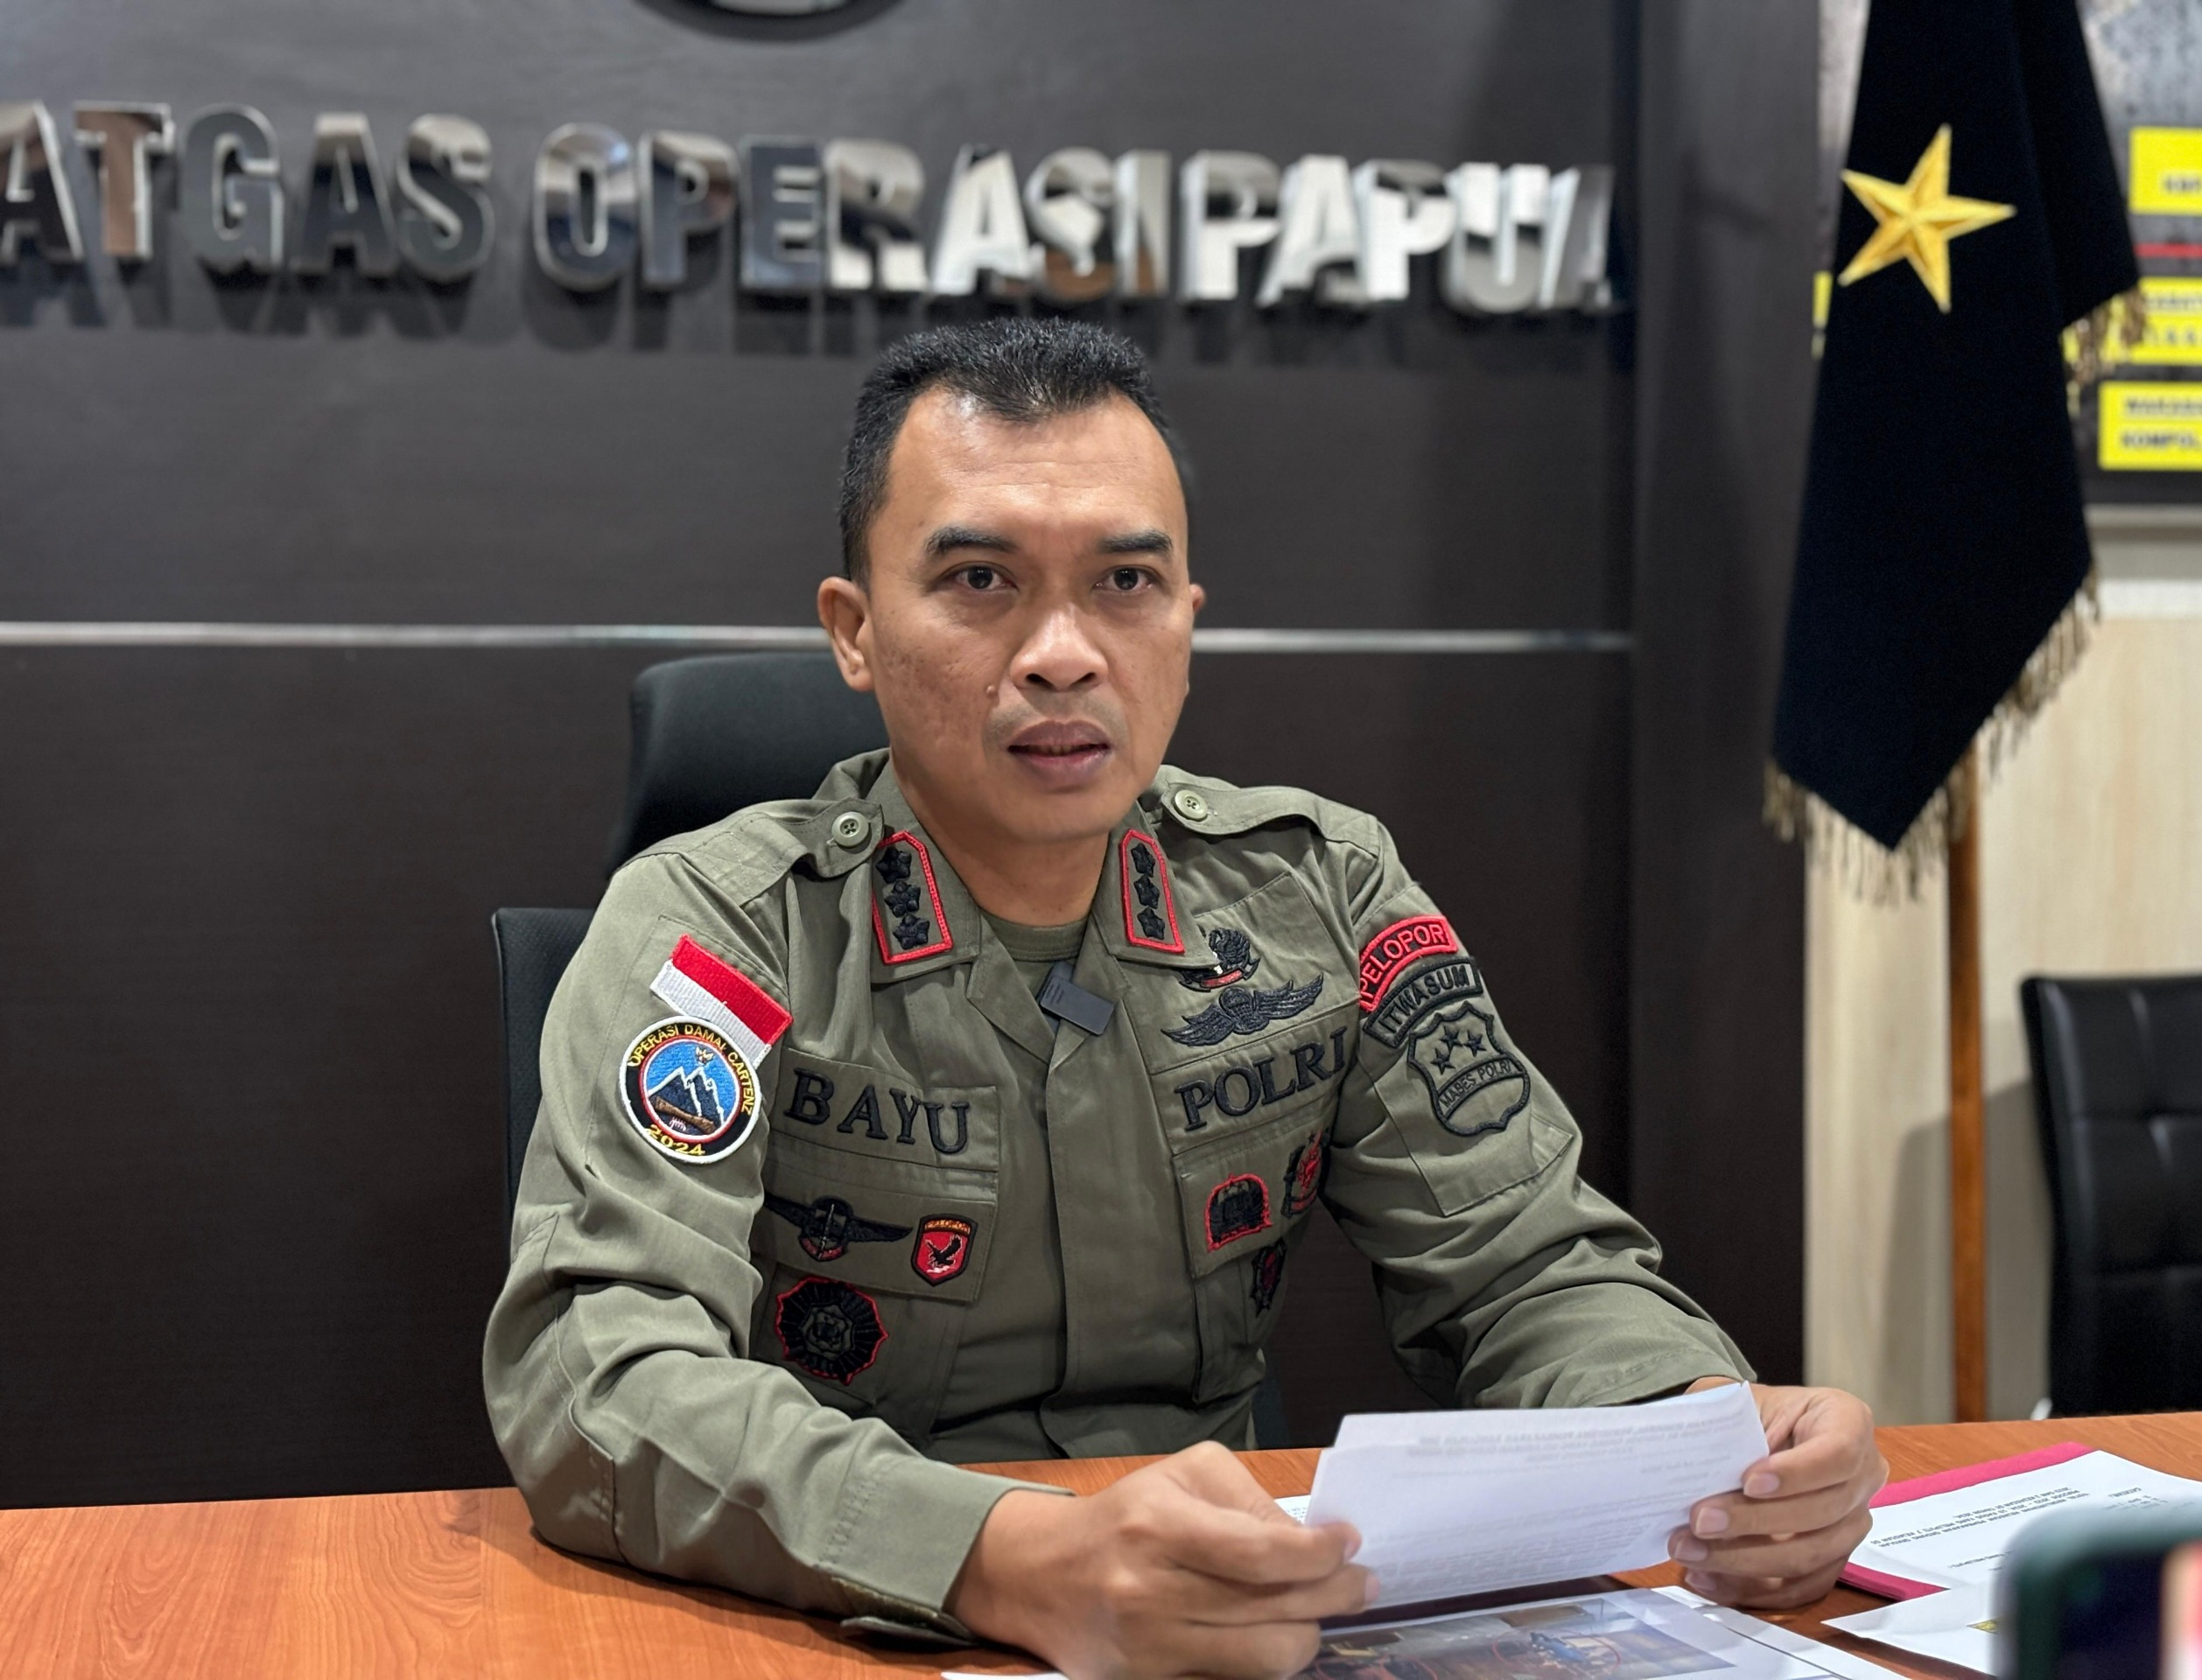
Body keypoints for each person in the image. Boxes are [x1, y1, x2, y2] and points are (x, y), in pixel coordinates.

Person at [483, 319, 1883, 1680]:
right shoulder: (724, 928)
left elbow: (1526, 1264)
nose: (1063, 652)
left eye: (1125, 582)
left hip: (1223, 1624)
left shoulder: (1319, 892)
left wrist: (1704, 1437)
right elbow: (598, 1371)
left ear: (1187, 621)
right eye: (978, 579)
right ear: (854, 632)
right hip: (837, 1619)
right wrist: (1004, 1560)